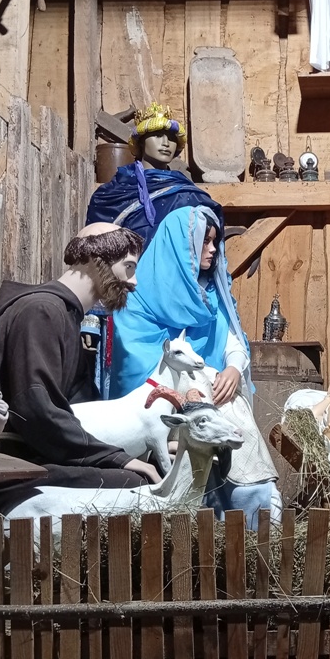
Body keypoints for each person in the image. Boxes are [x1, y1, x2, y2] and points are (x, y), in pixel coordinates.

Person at [0, 223, 160, 513]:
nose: (133, 283)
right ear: (96, 258)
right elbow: (36, 409)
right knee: (137, 484)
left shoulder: (63, 316)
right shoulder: (41, 312)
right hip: (14, 465)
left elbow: (82, 410)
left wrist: (146, 444)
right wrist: (117, 458)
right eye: (129, 267)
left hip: (36, 456)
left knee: (154, 468)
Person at [109, 206, 281, 523]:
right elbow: (136, 365)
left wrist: (233, 368)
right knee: (218, 405)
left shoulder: (212, 294)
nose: (213, 250)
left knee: (228, 402)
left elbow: (232, 340)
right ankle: (252, 502)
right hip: (159, 411)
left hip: (211, 399)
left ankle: (252, 503)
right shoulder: (138, 300)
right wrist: (194, 386)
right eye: (205, 241)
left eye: (215, 242)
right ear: (180, 246)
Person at [85, 102, 224, 246]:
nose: (166, 143)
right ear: (141, 142)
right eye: (157, 135)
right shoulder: (110, 195)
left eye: (172, 138)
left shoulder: (188, 194)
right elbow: (95, 247)